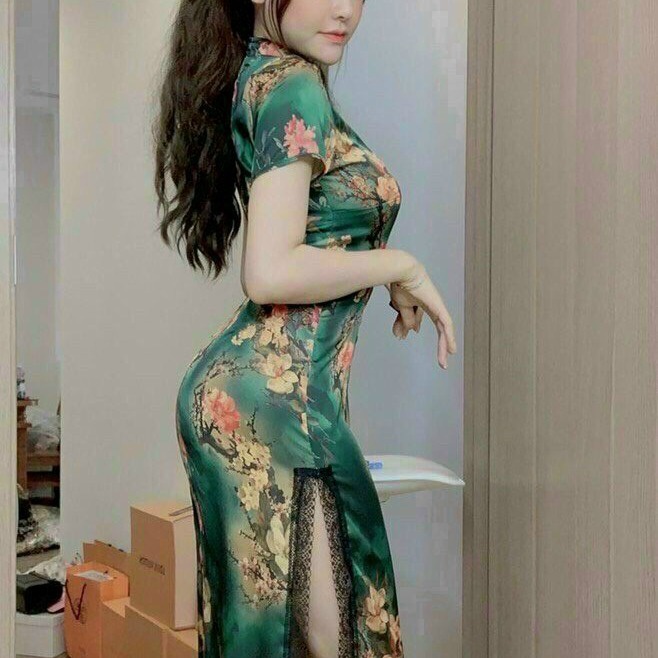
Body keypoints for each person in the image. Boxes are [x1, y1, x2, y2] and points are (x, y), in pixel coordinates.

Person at [153, 1, 457, 656]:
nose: (346, 9)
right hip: (271, 404)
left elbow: (309, 245)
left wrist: (381, 272)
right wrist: (400, 264)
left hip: (272, 397)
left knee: (307, 639)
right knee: (338, 640)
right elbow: (268, 272)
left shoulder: (268, 71)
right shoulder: (291, 84)